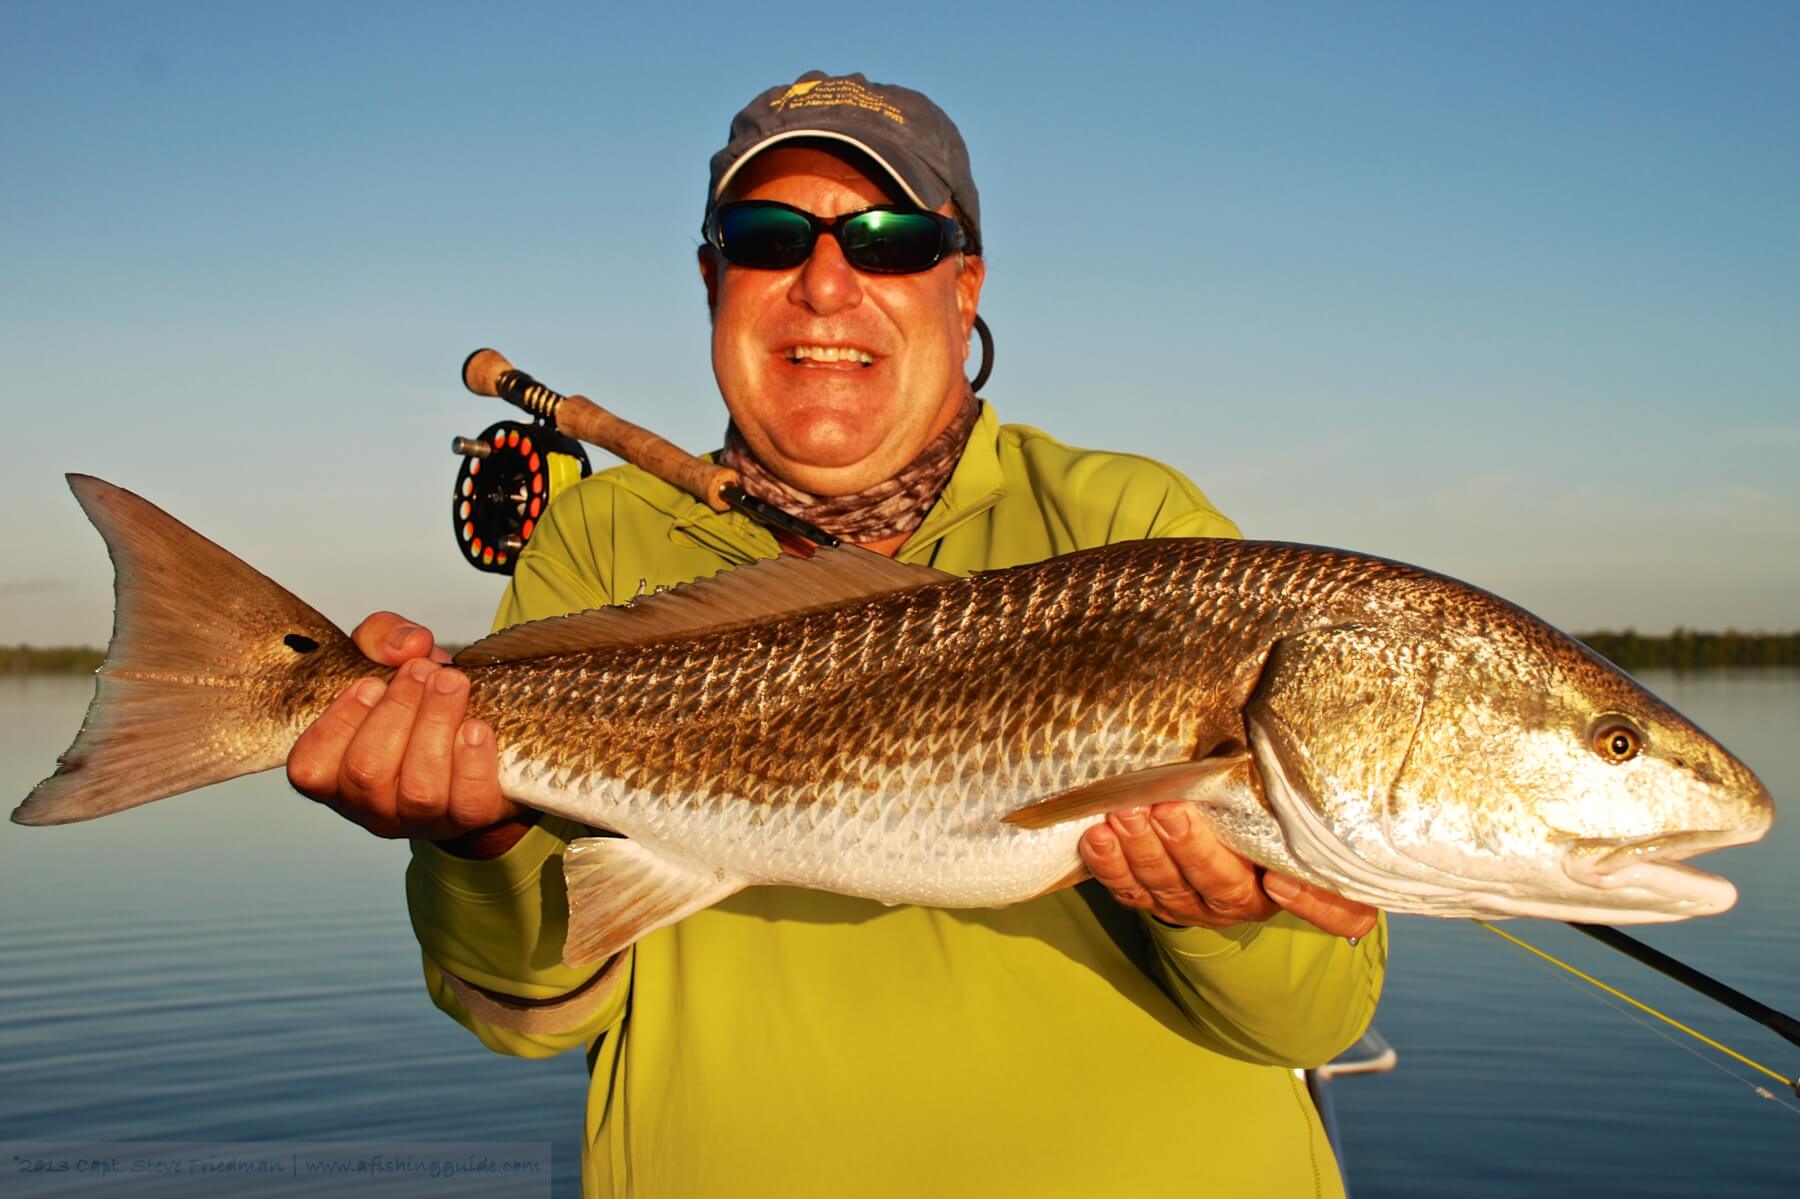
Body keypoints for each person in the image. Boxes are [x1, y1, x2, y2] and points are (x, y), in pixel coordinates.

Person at [289, 71, 1385, 1198]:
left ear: (966, 288)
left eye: (893, 239)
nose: (825, 283)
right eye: (767, 237)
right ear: (713, 278)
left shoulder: (1137, 524)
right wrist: (475, 846)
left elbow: (1313, 1013)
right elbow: (527, 1014)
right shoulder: (598, 546)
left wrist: (1233, 914)